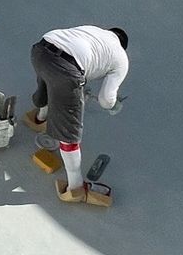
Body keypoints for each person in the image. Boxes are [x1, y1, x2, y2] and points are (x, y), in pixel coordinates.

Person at [26, 26, 129, 203]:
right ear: (122, 45)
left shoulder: (94, 31)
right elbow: (106, 100)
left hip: (41, 48)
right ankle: (76, 188)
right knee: (69, 134)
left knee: (48, 81)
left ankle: (40, 117)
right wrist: (114, 105)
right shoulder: (121, 58)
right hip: (67, 69)